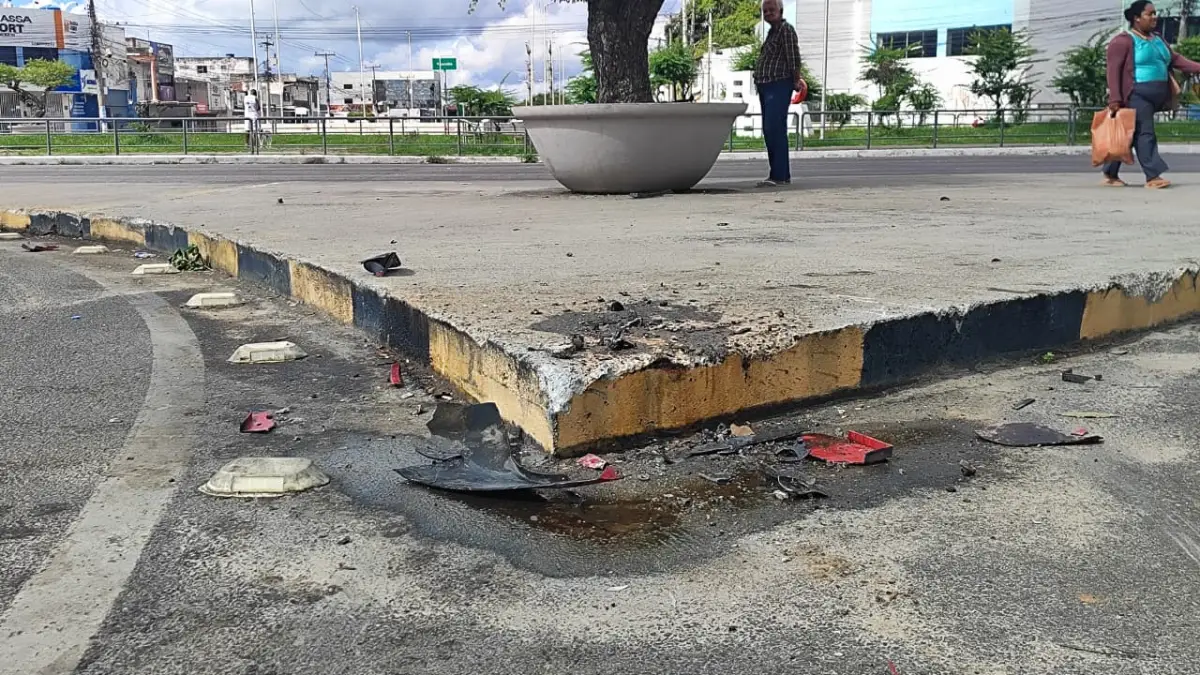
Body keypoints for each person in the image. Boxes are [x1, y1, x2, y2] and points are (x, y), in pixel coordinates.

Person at [1104, 1, 1200, 188]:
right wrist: (1115, 98)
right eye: (1150, 14)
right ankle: (1153, 176)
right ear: (1136, 18)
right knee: (1145, 133)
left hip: (1158, 96)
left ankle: (1110, 173)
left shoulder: (1158, 39)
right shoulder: (1123, 41)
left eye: (1155, 13)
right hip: (1136, 95)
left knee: (1129, 135)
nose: (1154, 17)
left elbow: (1176, 60)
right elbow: (1113, 71)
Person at [753, 0, 805, 187]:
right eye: (765, 11)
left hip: (779, 84)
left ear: (780, 10)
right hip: (766, 85)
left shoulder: (786, 30)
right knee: (769, 130)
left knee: (775, 128)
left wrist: (796, 80)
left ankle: (780, 175)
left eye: (771, 10)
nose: (768, 13)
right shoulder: (771, 33)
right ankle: (777, 173)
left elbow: (794, 58)